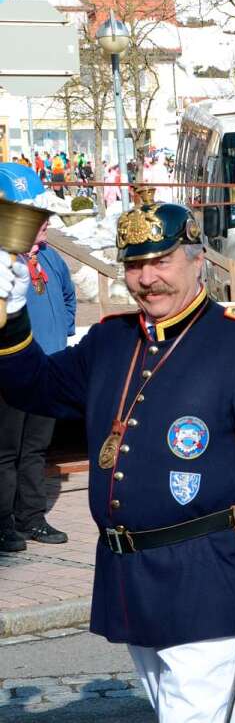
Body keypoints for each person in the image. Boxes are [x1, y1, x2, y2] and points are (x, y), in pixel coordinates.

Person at [0, 193, 235, 722]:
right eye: (134, 265)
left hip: (210, 572)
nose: (147, 279)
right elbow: (33, 387)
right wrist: (11, 321)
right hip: (132, 572)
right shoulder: (109, 341)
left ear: (196, 259)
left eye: (160, 261)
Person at [0, 216, 75, 551]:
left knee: (35, 449)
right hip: (11, 371)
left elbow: (68, 297)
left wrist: (61, 334)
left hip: (47, 369)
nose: (45, 224)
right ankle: (3, 524)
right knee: (5, 451)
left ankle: (31, 517)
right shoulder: (4, 260)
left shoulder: (50, 257)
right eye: (37, 220)